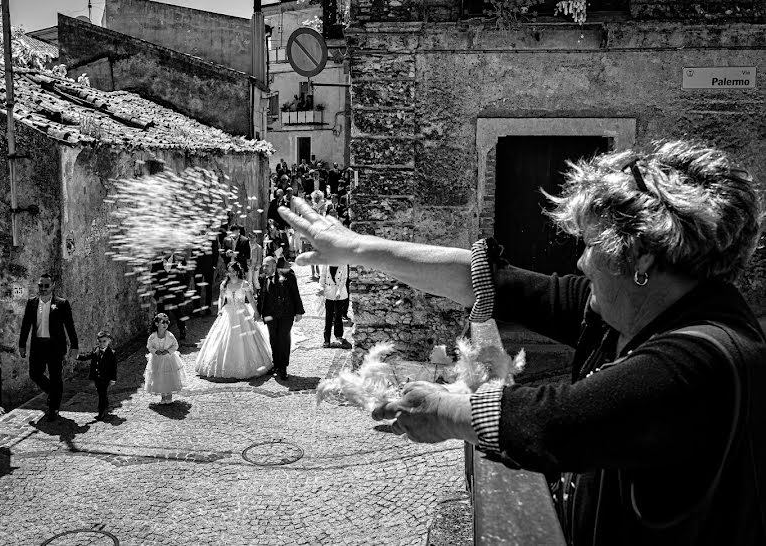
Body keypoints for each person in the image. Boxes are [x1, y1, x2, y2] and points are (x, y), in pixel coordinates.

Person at [280, 139, 766, 545]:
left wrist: (446, 411)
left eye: (590, 245)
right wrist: (354, 246)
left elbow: (560, 421)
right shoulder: (632, 307)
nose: (580, 264)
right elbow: (495, 282)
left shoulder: (707, 357)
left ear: (639, 259)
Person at [19, 273, 79, 422]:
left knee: (56, 377)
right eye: (41, 285)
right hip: (38, 346)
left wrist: (74, 346)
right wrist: (22, 344)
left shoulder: (62, 303)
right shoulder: (32, 302)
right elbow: (26, 325)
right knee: (34, 373)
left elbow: (69, 326)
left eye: (46, 285)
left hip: (55, 347)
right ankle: (53, 393)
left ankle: (54, 408)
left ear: (53, 286)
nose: (43, 288)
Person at [195, 263, 272, 379]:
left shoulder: (244, 283)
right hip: (228, 312)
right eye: (229, 271)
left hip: (242, 312)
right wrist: (220, 309)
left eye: (233, 271)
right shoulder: (224, 284)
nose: (231, 273)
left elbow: (250, 299)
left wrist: (256, 312)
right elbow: (221, 298)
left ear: (237, 271)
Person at [257, 257, 305, 380]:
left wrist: (298, 312)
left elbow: (295, 293)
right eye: (263, 266)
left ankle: (283, 367)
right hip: (269, 315)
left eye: (267, 265)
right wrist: (258, 312)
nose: (264, 268)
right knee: (273, 338)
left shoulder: (288, 275)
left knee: (283, 338)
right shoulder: (263, 278)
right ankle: (276, 364)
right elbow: (262, 297)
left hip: (286, 314)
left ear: (274, 265)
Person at [144, 313, 186, 405]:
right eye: (163, 322)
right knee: (160, 377)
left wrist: (168, 351)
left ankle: (169, 396)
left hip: (169, 359)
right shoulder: (153, 336)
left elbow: (175, 345)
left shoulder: (170, 335)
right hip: (157, 360)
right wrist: (155, 351)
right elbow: (149, 346)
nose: (165, 325)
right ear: (156, 324)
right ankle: (163, 396)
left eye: (167, 323)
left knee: (169, 376)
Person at [77, 330, 117, 420]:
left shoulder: (112, 353)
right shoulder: (96, 349)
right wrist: (78, 356)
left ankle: (101, 412)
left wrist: (113, 379)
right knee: (101, 393)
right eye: (100, 341)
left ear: (109, 341)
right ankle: (105, 407)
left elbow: (113, 367)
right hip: (97, 377)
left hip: (106, 378)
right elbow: (87, 356)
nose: (102, 343)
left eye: (104, 341)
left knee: (102, 394)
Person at [152, 252, 191, 340]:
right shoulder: (156, 262)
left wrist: (184, 289)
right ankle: (165, 336)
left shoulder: (180, 260)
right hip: (162, 294)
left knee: (178, 313)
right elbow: (153, 279)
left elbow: (187, 275)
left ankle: (182, 329)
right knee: (162, 315)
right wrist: (156, 293)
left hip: (176, 293)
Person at [319, 263, 351, 349]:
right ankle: (326, 340)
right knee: (328, 316)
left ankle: (339, 336)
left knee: (338, 315)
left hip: (339, 293)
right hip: (329, 292)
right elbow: (323, 276)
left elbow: (344, 279)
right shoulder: (326, 262)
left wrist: (339, 292)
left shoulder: (343, 263)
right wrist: (321, 288)